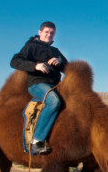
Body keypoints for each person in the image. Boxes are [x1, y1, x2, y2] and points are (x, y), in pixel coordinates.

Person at [10, 21, 67, 155]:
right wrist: (36, 66)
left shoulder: (55, 51)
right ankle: (37, 141)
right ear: (40, 32)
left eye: (52, 33)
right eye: (46, 32)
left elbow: (68, 68)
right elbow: (14, 61)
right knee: (54, 102)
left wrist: (60, 62)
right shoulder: (31, 47)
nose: (49, 35)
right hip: (37, 84)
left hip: (56, 85)